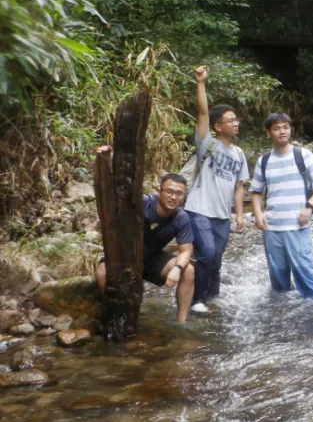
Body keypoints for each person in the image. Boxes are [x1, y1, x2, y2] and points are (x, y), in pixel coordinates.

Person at [94, 166, 196, 323]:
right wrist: (107, 163)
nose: (173, 197)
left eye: (178, 194)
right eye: (169, 191)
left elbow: (186, 251)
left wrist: (177, 269)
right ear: (159, 191)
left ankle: (181, 322)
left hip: (151, 260)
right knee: (102, 272)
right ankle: (115, 316)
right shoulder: (143, 203)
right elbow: (113, 195)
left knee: (187, 270)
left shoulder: (181, 217)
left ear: (183, 197)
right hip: (124, 256)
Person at [186, 65, 248, 314]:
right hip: (199, 209)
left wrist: (240, 215)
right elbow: (202, 113)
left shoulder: (240, 153)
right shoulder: (207, 144)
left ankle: (212, 297)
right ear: (218, 126)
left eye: (236, 120)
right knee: (208, 253)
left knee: (216, 260)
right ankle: (196, 300)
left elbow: (239, 186)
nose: (236, 124)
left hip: (222, 216)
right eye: (230, 121)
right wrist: (200, 83)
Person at [251, 113, 313, 298]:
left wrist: (309, 205)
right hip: (271, 228)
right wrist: (257, 213)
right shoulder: (263, 161)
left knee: (308, 281)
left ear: (290, 129)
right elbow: (256, 191)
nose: (282, 132)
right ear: (268, 133)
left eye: (285, 127)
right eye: (277, 128)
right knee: (279, 284)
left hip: (297, 226)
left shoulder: (303, 155)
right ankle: (282, 320)